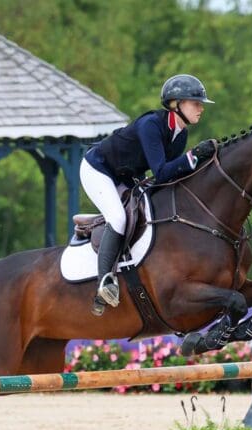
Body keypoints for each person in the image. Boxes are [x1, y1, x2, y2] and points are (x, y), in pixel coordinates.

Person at [81, 74, 217, 315]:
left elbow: (171, 176)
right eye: (196, 103)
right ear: (176, 104)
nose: (201, 108)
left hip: (124, 177)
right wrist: (193, 156)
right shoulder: (151, 125)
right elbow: (163, 172)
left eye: (201, 104)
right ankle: (105, 283)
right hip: (98, 169)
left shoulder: (180, 134)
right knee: (118, 218)